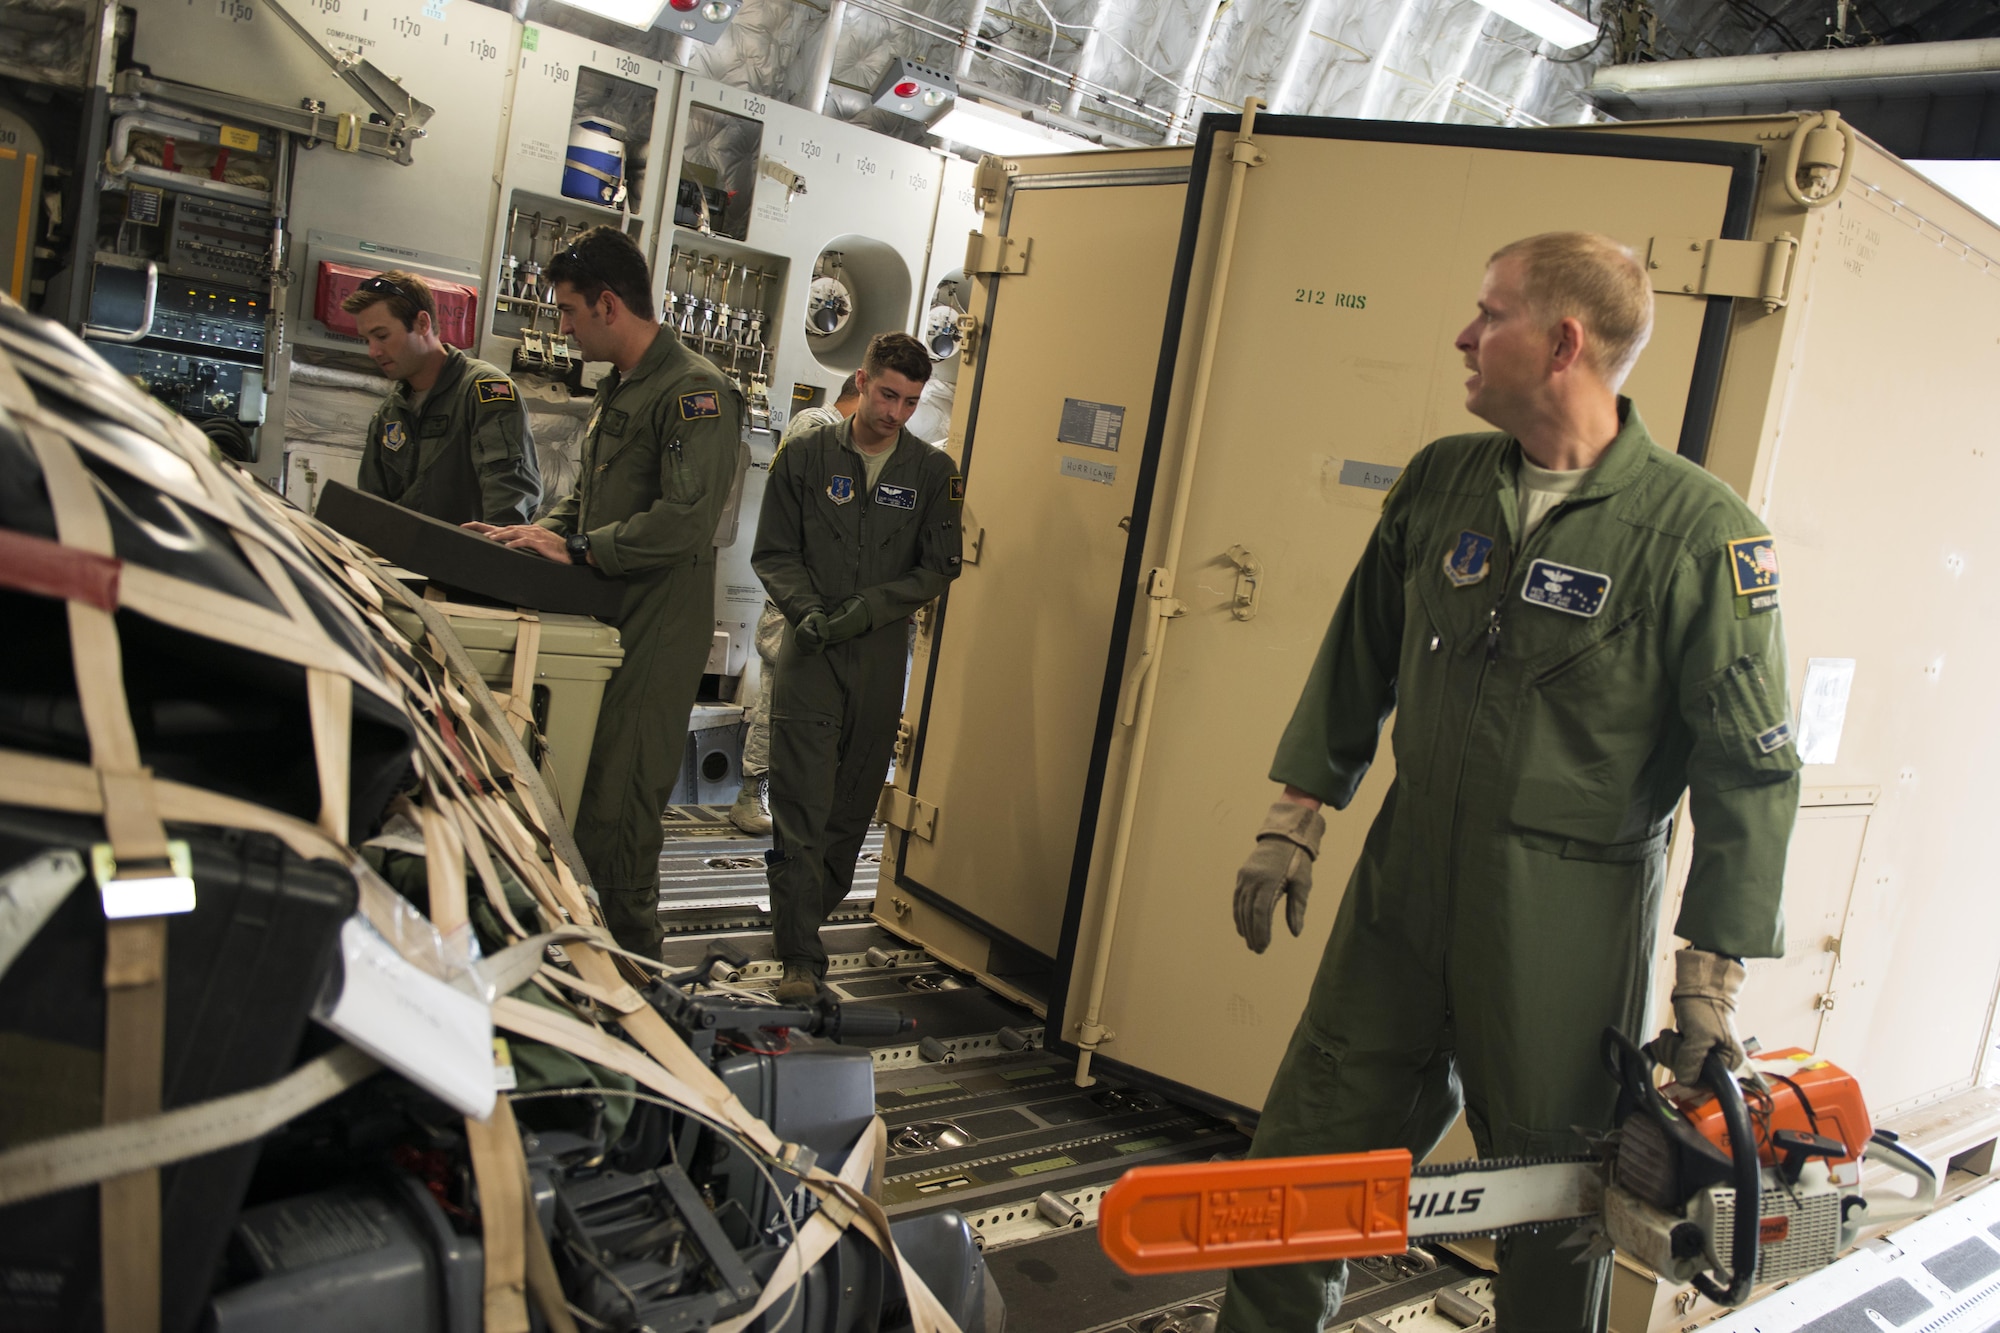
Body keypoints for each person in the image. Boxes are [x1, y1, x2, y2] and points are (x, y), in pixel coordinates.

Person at [1219, 233, 1800, 1333]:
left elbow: (1750, 769)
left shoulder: (1697, 537)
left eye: (1488, 313)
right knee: (1302, 1165)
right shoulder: (1444, 480)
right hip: (1401, 894)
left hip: (1563, 924)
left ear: (1563, 343)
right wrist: (1296, 814)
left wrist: (1705, 981)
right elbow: (1359, 649)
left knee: (1552, 1209)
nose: (1462, 335)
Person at [469, 227, 746, 957]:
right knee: (583, 798)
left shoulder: (694, 391)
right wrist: (532, 534)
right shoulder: (623, 386)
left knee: (620, 813)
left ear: (608, 304)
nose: (561, 327)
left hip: (654, 632)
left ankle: (632, 972)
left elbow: (684, 522)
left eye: (567, 311)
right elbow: (588, 498)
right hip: (608, 621)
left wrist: (582, 547)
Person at [752, 334, 962, 1002]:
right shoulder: (806, 456)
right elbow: (774, 549)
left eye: (908, 401)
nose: (895, 412)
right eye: (885, 394)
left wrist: (868, 609)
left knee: (849, 812)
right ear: (862, 381)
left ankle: (804, 918)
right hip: (810, 654)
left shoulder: (933, 474)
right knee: (801, 806)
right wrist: (809, 611)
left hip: (878, 660)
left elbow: (939, 566)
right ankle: (800, 955)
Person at [729, 373, 861, 836]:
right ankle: (753, 792)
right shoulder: (816, 423)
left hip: (836, 595)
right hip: (799, 592)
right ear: (861, 387)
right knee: (779, 689)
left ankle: (798, 797)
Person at [346, 271, 541, 525]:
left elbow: (508, 502)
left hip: (467, 559)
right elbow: (372, 509)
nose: (373, 351)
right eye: (367, 340)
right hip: (400, 561)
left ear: (422, 324)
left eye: (382, 336)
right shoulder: (390, 413)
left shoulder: (485, 391)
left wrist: (488, 556)